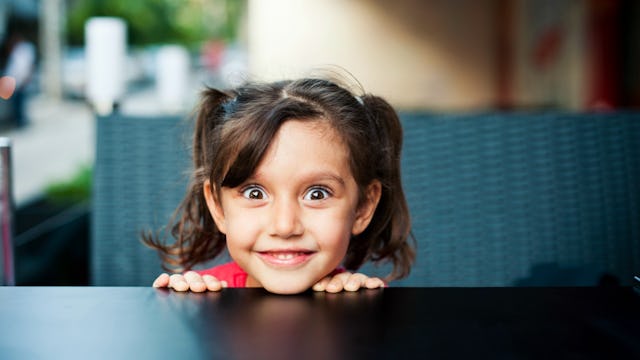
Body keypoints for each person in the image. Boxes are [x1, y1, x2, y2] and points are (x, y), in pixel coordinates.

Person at [145, 75, 415, 294]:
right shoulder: (200, 301)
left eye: (317, 193)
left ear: (363, 207)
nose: (285, 226)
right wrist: (184, 317)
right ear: (218, 207)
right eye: (254, 192)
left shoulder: (366, 305)